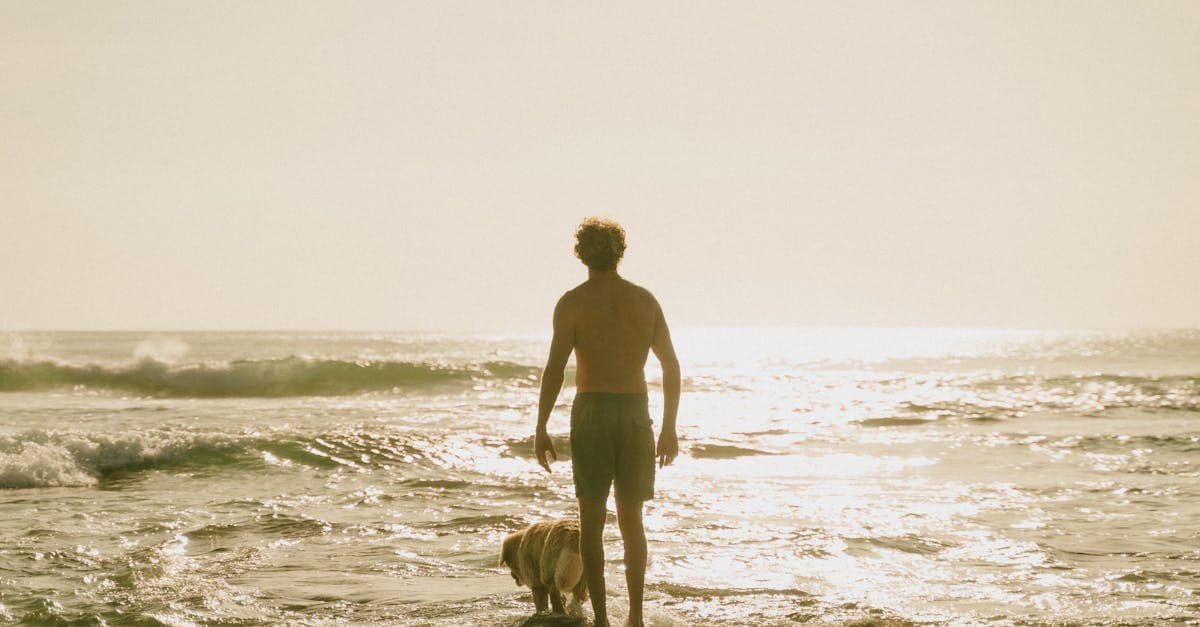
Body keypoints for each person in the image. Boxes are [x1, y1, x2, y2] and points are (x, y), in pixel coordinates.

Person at [534, 217, 680, 627]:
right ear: (620, 252)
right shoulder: (644, 301)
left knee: (593, 523)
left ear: (581, 253)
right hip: (635, 412)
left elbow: (554, 369)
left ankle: (601, 620)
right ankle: (634, 617)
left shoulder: (572, 303)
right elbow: (670, 366)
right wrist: (669, 428)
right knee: (632, 521)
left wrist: (541, 425)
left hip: (593, 413)